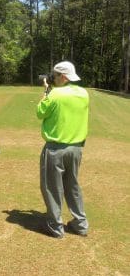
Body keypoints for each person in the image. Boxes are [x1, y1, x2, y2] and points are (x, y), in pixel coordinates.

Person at [36, 61, 89, 239]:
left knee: (51, 186)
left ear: (63, 77)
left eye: (56, 75)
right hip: (76, 149)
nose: (53, 77)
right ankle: (80, 224)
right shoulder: (83, 93)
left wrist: (46, 92)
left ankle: (55, 226)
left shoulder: (55, 94)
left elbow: (40, 112)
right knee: (72, 185)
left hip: (55, 149)